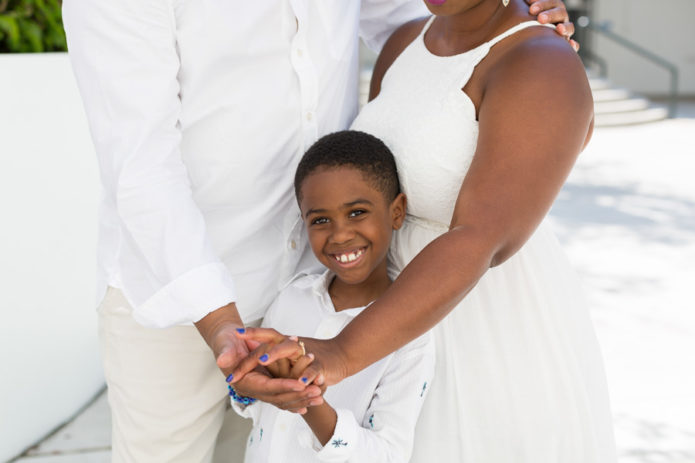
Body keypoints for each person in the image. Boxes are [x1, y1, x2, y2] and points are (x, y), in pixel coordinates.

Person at [62, 0, 573, 461]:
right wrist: (221, 323)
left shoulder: (532, 59)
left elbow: (416, 20)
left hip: (330, 290)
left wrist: (521, 30)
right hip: (179, 295)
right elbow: (139, 167)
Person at [231, 0, 617, 462]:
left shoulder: (541, 62)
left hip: (481, 337)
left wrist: (342, 353)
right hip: (384, 336)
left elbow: (482, 236)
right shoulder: (402, 44)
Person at [230, 130, 434, 462]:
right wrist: (247, 386)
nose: (339, 234)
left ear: (396, 212)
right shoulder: (291, 298)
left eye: (357, 213)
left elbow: (388, 455)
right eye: (321, 220)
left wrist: (309, 402)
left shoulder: (411, 338)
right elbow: (254, 410)